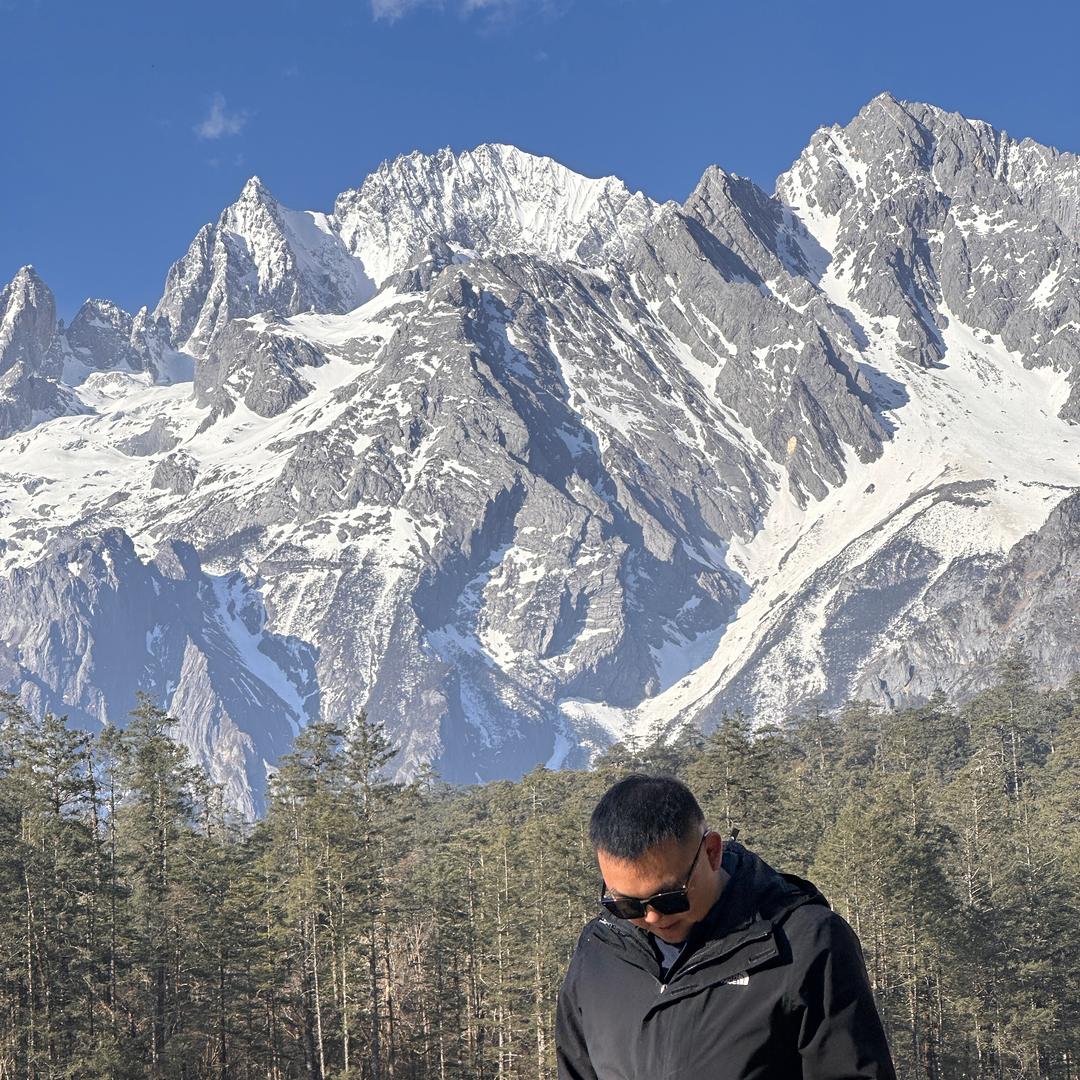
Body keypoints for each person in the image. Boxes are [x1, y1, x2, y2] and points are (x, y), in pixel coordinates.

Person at [556, 774, 897, 1079]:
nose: (652, 918)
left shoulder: (804, 944)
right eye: (625, 904)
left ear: (712, 852)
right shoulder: (599, 952)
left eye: (669, 898)